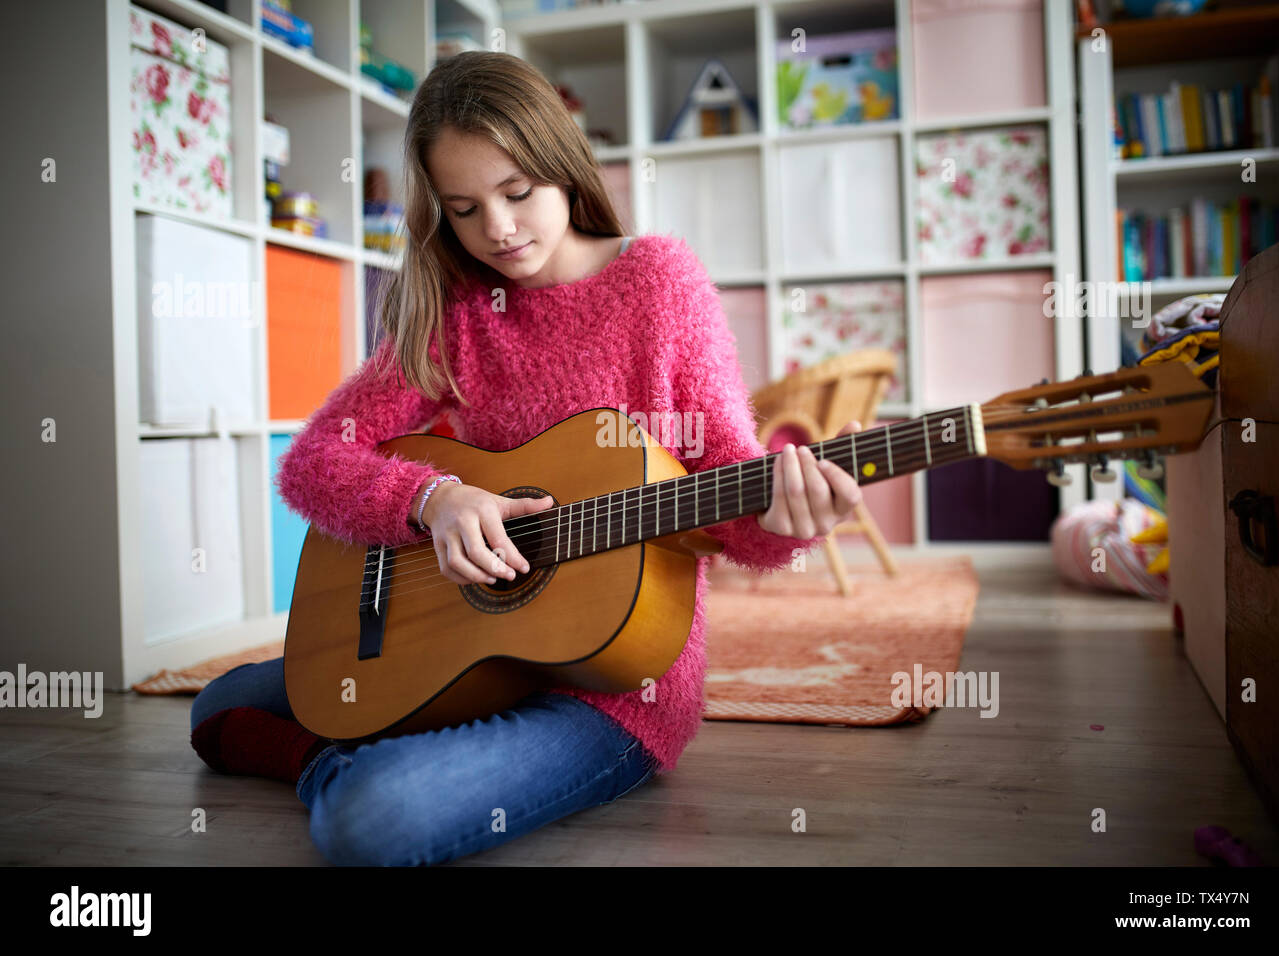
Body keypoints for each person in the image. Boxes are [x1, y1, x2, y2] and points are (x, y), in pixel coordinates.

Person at [189, 51, 866, 866]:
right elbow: (312, 464)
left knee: (372, 819)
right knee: (217, 707)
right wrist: (430, 498)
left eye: (517, 193)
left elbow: (730, 504)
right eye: (466, 209)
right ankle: (347, 751)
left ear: (563, 170)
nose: (499, 231)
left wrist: (789, 525)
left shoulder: (659, 283)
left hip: (615, 691)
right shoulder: (455, 309)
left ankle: (340, 766)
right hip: (456, 647)